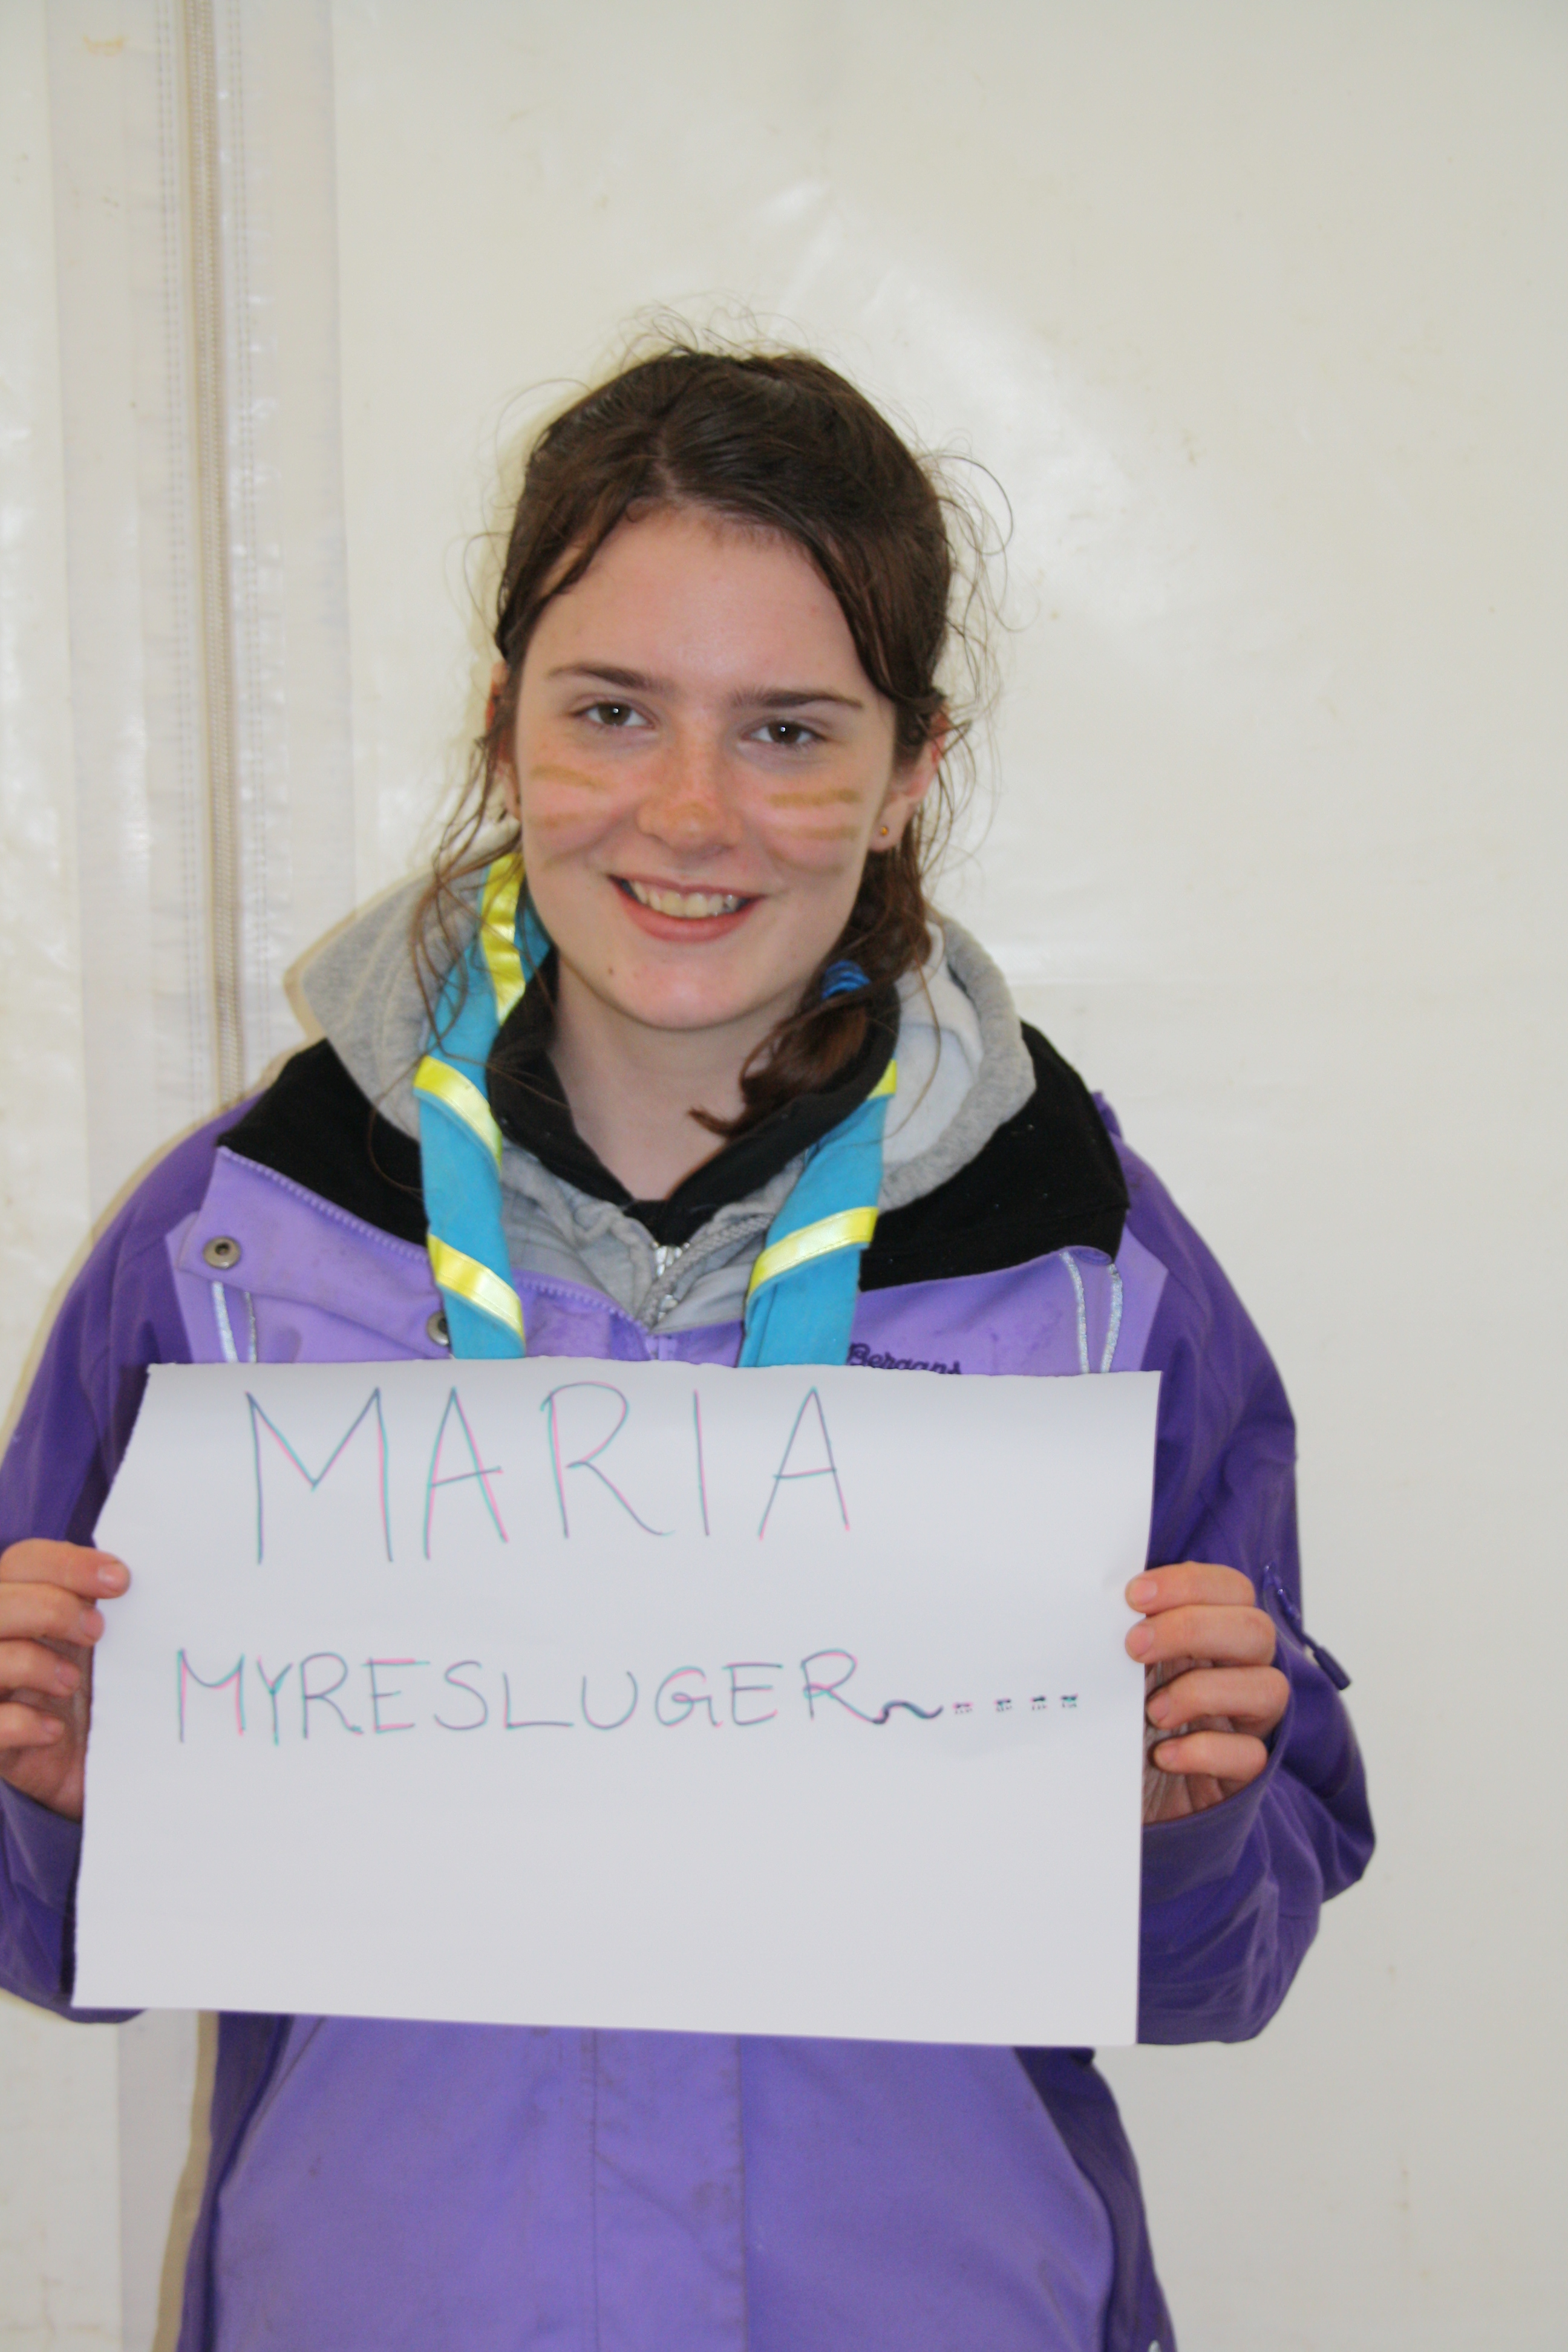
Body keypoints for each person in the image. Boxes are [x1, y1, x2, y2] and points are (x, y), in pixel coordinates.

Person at [0, 344, 1371, 2352]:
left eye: (790, 729)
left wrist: (1192, 1829)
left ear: (911, 771)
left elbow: (1215, 1972)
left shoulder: (1092, 1265)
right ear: (504, 724)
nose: (688, 810)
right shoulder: (233, 1238)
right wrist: (52, 1794)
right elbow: (66, 1947)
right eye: (614, 710)